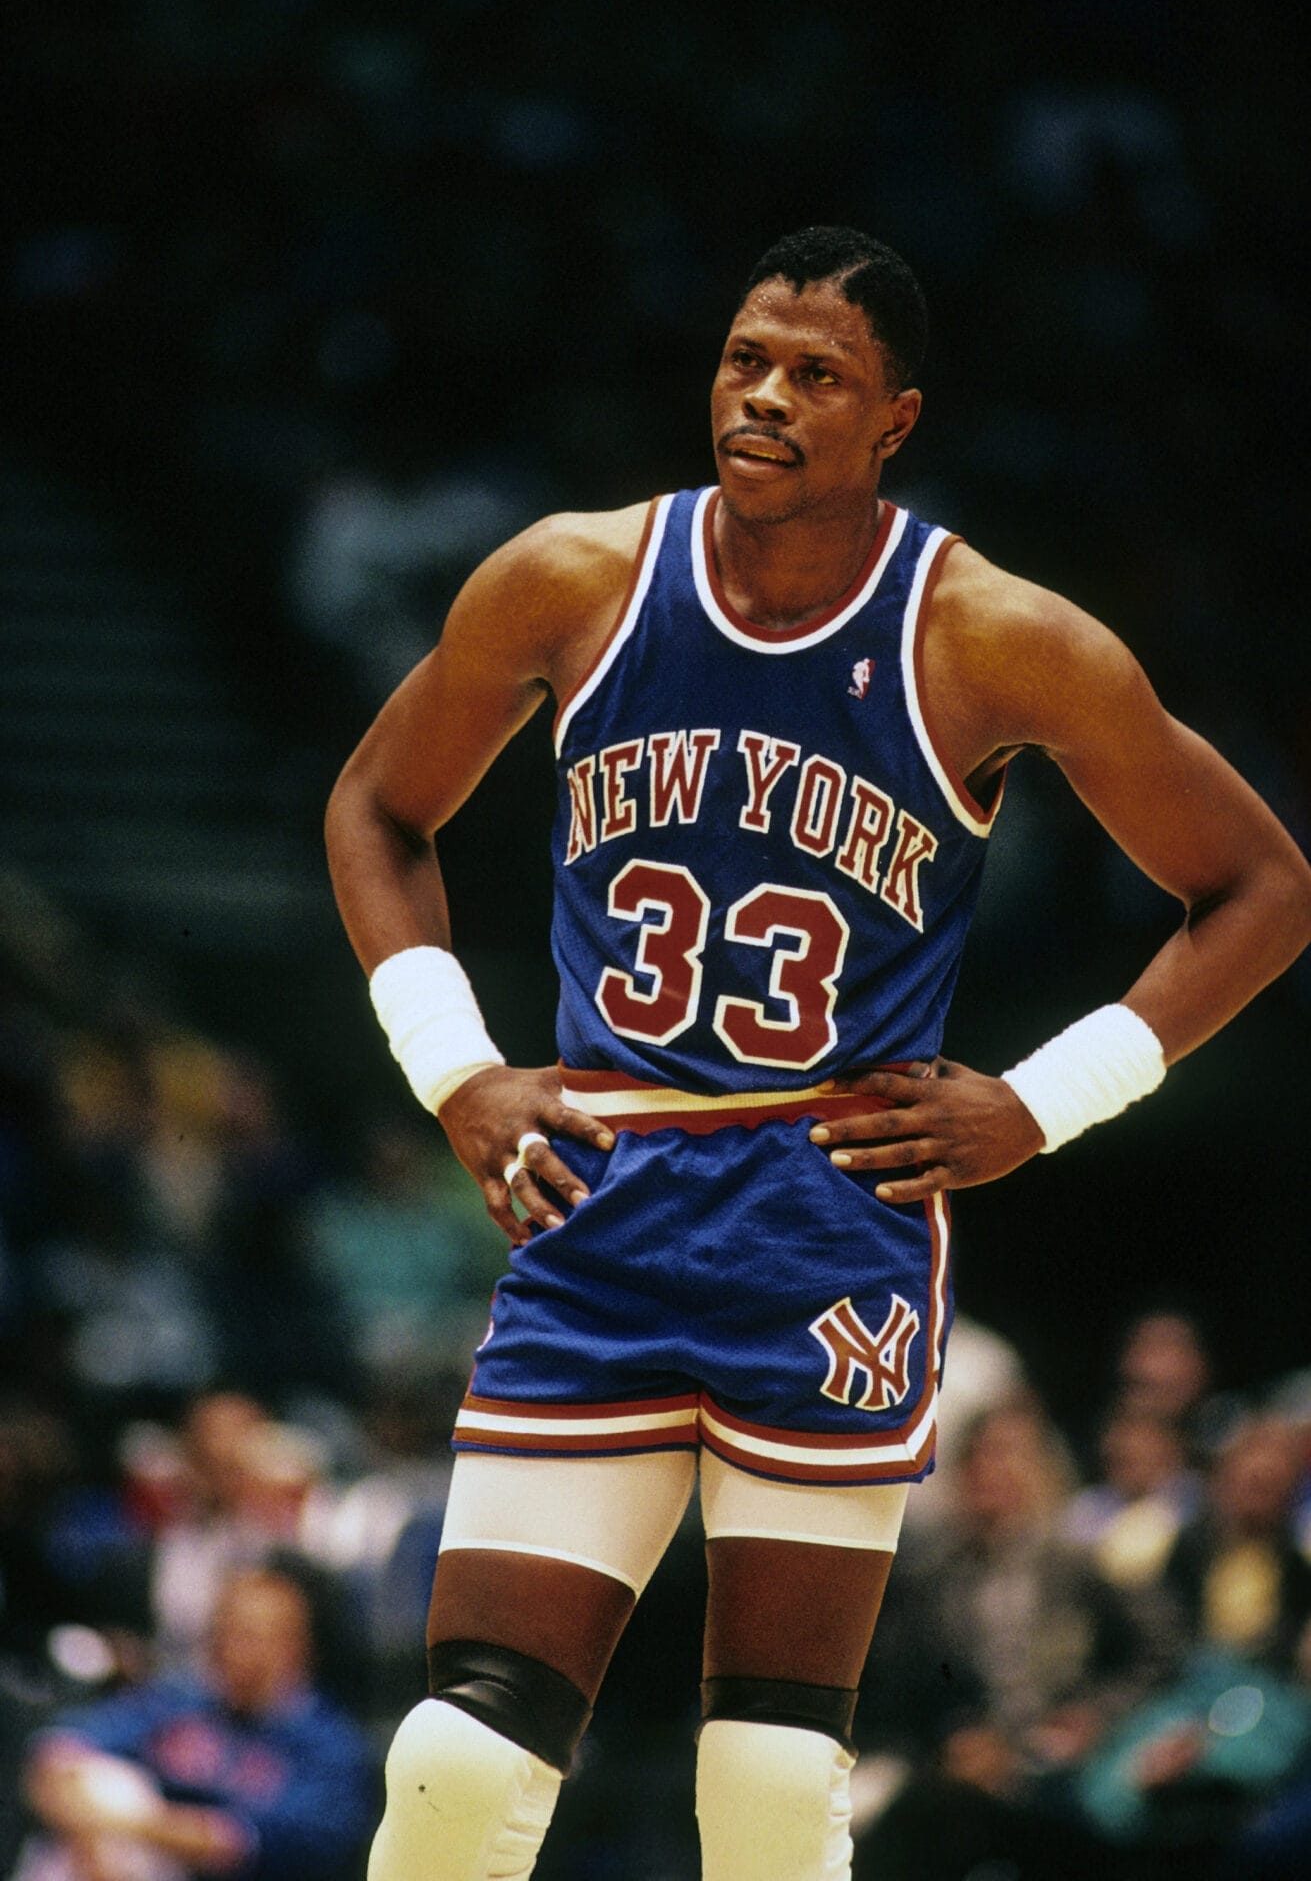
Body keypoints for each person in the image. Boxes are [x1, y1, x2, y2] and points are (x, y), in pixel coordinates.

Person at [323, 225, 1311, 1881]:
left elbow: (1263, 885)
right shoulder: (573, 576)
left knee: (773, 1788)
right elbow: (376, 801)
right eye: (743, 361)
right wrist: (455, 1064)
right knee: (456, 1759)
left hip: (827, 1215)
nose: (764, 397)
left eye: (816, 377)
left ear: (893, 421)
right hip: (599, 1199)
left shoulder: (994, 634)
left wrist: (1048, 1099)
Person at [20, 1565, 374, 1881]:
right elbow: (55, 1751)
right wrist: (91, 1843)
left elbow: (238, 1846)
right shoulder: (181, 1701)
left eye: (249, 1635)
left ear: (296, 1645)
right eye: (223, 1631)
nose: (229, 1648)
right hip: (125, 1859)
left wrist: (126, 1824)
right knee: (101, 1790)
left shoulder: (330, 1745)